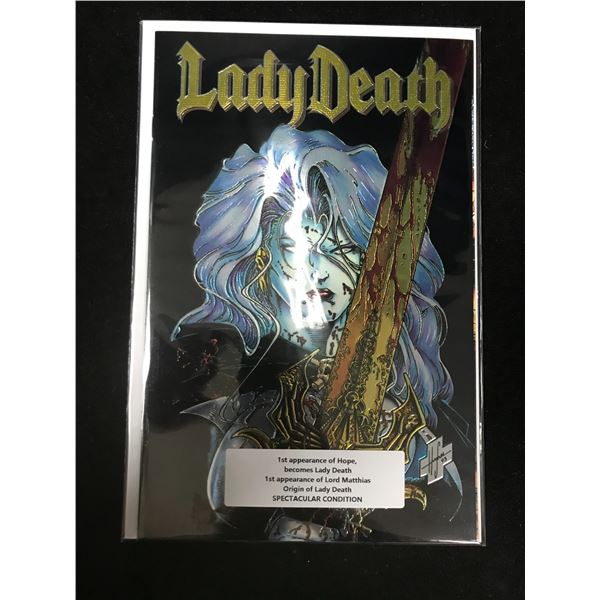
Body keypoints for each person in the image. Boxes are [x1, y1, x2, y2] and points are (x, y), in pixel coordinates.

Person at [171, 125, 460, 541]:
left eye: (339, 250)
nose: (317, 271)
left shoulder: (405, 389)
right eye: (295, 247)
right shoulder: (235, 377)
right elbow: (220, 498)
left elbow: (445, 502)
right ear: (262, 255)